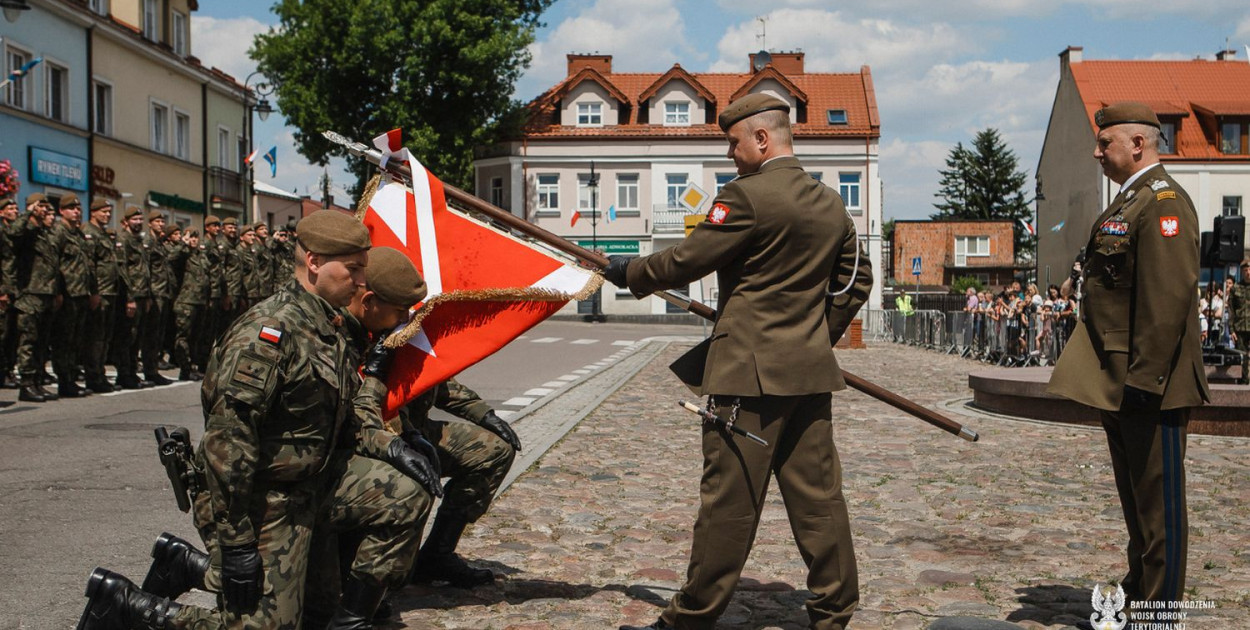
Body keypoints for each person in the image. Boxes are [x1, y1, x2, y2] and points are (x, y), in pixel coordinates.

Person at [75, 210, 425, 630]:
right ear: (313, 262)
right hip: (261, 498)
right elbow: (229, 447)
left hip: (312, 483)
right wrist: (239, 543)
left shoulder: (326, 326)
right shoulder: (269, 333)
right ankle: (126, 606)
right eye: (353, 269)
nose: (362, 281)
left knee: (404, 494)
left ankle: (341, 620)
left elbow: (344, 417)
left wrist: (391, 446)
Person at [603, 93, 873, 630]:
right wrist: (817, 335)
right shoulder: (829, 203)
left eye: (733, 141)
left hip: (746, 378)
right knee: (819, 499)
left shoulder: (745, 198)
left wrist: (629, 272)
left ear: (762, 138)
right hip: (808, 376)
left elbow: (687, 259)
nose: (729, 152)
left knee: (729, 502)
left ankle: (690, 618)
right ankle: (834, 610)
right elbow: (856, 279)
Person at [1048, 102, 1209, 613]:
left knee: (1160, 508)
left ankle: (1160, 615)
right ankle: (1141, 592)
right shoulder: (1130, 201)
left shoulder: (1162, 203)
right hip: (1122, 380)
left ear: (1137, 144)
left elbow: (1166, 301)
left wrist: (1146, 379)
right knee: (1138, 503)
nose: (1096, 152)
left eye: (1105, 143)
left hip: (1149, 385)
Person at [10, 193, 61, 402]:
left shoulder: (44, 233)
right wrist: (28, 212)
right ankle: (26, 384)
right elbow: (14, 234)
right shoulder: (25, 231)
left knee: (41, 342)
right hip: (29, 294)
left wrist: (57, 291)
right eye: (40, 206)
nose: (44, 210)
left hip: (46, 294)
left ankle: (37, 381)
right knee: (28, 341)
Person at [49, 194, 96, 398]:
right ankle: (64, 381)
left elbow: (88, 265)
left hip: (80, 294)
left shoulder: (78, 234)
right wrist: (57, 292)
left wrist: (93, 291)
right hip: (67, 294)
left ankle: (71, 378)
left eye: (78, 208)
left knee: (76, 340)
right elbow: (52, 264)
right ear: (62, 211)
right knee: (64, 340)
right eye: (71, 208)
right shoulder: (58, 232)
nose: (76, 211)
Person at [82, 198, 121, 393]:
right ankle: (93, 375)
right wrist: (94, 292)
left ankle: (100, 373)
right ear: (94, 212)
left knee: (104, 338)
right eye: (103, 212)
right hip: (100, 292)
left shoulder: (104, 234)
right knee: (95, 338)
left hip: (110, 291)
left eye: (109, 212)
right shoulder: (89, 233)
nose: (107, 215)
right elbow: (89, 265)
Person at [1228, 260, 1250, 385]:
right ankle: (1244, 381)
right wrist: (1231, 330)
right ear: (1242, 272)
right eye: (1246, 270)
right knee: (1242, 357)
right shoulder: (1235, 288)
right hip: (1240, 327)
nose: (1248, 273)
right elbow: (1231, 310)